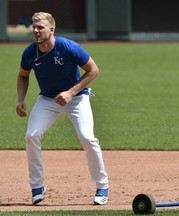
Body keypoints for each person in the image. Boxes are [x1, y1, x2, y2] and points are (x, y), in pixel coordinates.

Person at [16, 12, 109, 205]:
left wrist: (71, 92)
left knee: (87, 138)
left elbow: (93, 70)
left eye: (40, 27)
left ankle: (102, 185)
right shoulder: (30, 52)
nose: (35, 30)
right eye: (33, 27)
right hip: (47, 99)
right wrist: (20, 99)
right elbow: (23, 75)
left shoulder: (67, 47)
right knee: (31, 135)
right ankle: (37, 187)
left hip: (76, 98)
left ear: (51, 29)